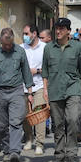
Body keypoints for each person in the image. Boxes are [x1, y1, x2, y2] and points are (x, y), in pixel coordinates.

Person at [42, 17, 81, 162]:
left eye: (62, 29)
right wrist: (45, 90)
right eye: (57, 28)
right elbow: (45, 71)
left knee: (73, 119)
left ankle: (72, 153)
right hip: (55, 90)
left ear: (69, 31)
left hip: (73, 88)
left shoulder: (77, 47)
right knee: (58, 124)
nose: (58, 31)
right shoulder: (48, 48)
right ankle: (59, 153)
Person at [0, 27, 33, 162]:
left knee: (16, 122)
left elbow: (26, 73)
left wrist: (29, 92)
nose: (7, 47)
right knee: (1, 126)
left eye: (9, 44)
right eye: (5, 45)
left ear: (12, 40)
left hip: (16, 90)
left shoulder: (20, 52)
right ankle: (6, 150)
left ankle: (15, 152)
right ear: (0, 42)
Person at [22, 26, 47, 154]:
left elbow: (48, 68)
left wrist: (36, 71)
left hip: (39, 85)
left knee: (39, 114)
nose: (24, 36)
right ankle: (28, 138)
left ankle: (40, 143)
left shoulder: (44, 48)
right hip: (24, 87)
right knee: (25, 116)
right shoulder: (21, 48)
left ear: (34, 33)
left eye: (26, 33)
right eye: (23, 34)